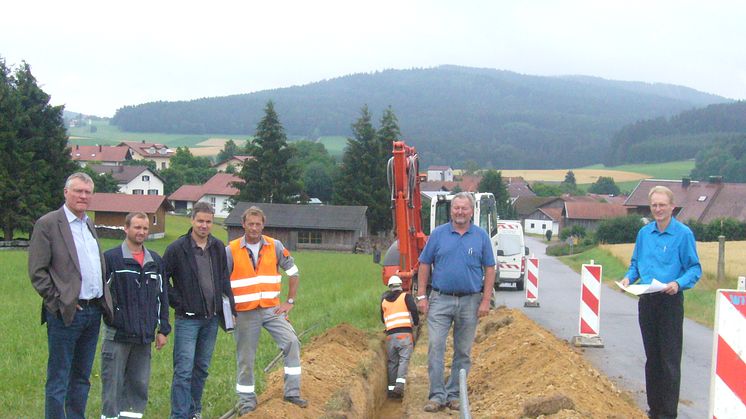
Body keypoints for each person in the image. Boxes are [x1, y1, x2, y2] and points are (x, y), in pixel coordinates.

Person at [29, 172, 108, 419]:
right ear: (66, 192)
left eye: (87, 192)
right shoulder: (49, 224)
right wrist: (59, 302)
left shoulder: (89, 224)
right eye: (78, 191)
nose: (83, 196)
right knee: (59, 378)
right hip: (66, 313)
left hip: (93, 312)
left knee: (82, 377)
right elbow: (37, 271)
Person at [620, 185, 701, 419]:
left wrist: (678, 283)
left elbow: (694, 268)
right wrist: (628, 277)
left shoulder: (683, 234)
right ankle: (654, 410)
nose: (658, 209)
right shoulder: (644, 234)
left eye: (662, 205)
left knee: (669, 360)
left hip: (670, 301)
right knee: (652, 359)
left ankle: (668, 413)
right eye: (654, 205)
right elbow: (636, 263)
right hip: (647, 300)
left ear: (672, 207)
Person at [416, 192, 496, 413]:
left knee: (463, 351)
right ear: (451, 211)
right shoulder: (439, 235)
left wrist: (486, 300)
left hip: (471, 301)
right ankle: (436, 395)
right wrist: (422, 295)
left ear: (471, 211)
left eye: (464, 208)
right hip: (440, 300)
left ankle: (453, 394)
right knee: (436, 346)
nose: (460, 212)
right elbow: (424, 264)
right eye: (456, 208)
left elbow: (490, 268)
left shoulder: (480, 237)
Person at [226, 206, 306, 414]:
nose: (254, 228)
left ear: (263, 225)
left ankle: (292, 392)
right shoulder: (231, 249)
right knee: (246, 358)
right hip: (244, 313)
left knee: (291, 342)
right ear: (243, 224)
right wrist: (228, 313)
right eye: (250, 224)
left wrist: (289, 301)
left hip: (272, 310)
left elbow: (294, 272)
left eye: (258, 224)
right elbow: (221, 284)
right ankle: (247, 404)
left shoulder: (275, 246)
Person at [163, 202, 236, 419]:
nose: (204, 225)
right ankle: (179, 415)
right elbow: (162, 280)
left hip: (211, 318)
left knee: (201, 368)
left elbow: (224, 280)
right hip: (187, 320)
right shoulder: (177, 249)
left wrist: (230, 309)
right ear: (192, 220)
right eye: (200, 221)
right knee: (183, 371)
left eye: (208, 221)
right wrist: (179, 302)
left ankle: (193, 411)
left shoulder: (217, 248)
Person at [100, 212, 170, 419]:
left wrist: (162, 329)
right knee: (112, 384)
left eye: (145, 228)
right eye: (137, 227)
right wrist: (114, 318)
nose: (141, 232)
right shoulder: (111, 259)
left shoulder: (155, 261)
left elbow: (162, 296)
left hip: (144, 336)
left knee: (138, 385)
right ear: (126, 228)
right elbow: (101, 295)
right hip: (118, 335)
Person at [380, 275, 419, 399]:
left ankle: (391, 390)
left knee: (393, 362)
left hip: (390, 336)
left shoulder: (384, 301)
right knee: (404, 359)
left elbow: (382, 318)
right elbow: (414, 310)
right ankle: (400, 386)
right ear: (400, 285)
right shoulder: (406, 297)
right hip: (404, 334)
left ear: (390, 287)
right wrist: (416, 323)